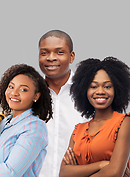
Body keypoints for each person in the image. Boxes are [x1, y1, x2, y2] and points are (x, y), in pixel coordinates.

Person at [60, 57, 130, 177]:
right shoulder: (78, 131)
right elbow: (63, 173)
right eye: (93, 86)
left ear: (117, 89)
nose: (100, 91)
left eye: (107, 86)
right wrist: (102, 165)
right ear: (84, 90)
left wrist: (77, 172)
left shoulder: (123, 122)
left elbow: (115, 173)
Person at [38, 29, 87, 177]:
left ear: (71, 56)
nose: (51, 58)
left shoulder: (88, 93)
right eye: (44, 53)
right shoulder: (29, 94)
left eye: (59, 52)